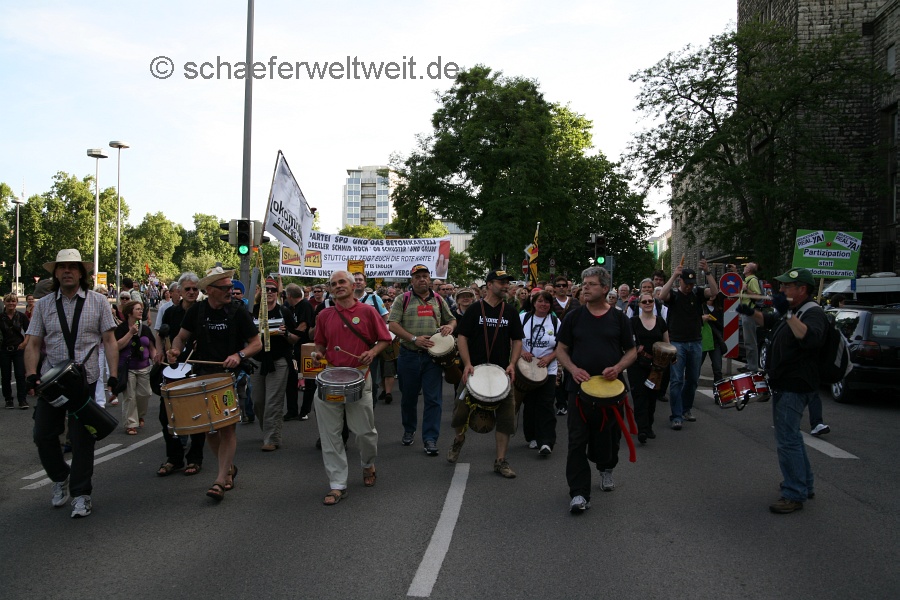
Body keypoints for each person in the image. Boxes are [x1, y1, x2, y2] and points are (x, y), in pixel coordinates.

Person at [25, 249, 121, 518]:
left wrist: (113, 376)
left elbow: (109, 341)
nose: (67, 271)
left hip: (84, 380)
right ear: (55, 273)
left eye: (73, 267)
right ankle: (60, 476)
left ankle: (81, 494)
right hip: (51, 382)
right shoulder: (44, 305)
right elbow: (33, 343)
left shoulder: (98, 302)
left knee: (82, 440)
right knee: (43, 434)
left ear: (81, 273)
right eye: (62, 267)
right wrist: (31, 373)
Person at [737, 268, 827, 514]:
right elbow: (768, 321)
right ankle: (804, 484)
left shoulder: (813, 312)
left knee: (787, 440)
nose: (781, 289)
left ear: (802, 289)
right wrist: (751, 312)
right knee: (792, 437)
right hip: (785, 382)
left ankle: (794, 492)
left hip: (795, 384)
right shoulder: (794, 310)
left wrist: (787, 313)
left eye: (787, 286)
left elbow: (810, 338)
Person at [167, 267, 261, 501]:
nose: (230, 290)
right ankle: (228, 468)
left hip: (229, 378)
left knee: (226, 426)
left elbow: (256, 343)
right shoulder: (196, 311)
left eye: (231, 287)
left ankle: (220, 479)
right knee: (208, 428)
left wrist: (239, 355)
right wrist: (175, 350)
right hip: (203, 375)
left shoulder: (238, 312)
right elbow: (181, 337)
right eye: (225, 287)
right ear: (210, 290)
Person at [556, 266, 636, 513]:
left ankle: (606, 468)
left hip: (611, 392)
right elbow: (561, 350)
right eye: (584, 284)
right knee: (576, 441)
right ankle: (579, 493)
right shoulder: (573, 317)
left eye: (591, 284)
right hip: (578, 390)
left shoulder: (619, 318)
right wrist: (572, 369)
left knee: (608, 440)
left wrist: (618, 366)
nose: (585, 288)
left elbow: (632, 351)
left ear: (605, 288)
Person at [312, 270, 391, 505]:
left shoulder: (368, 311)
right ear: (330, 289)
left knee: (365, 432)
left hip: (360, 377)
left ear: (352, 285)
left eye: (342, 282)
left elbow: (385, 339)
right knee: (330, 434)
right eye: (333, 284)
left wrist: (372, 352)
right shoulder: (324, 314)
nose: (338, 286)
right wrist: (318, 354)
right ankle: (337, 484)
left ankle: (367, 463)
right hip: (331, 380)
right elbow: (320, 344)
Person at [449, 269, 524, 478]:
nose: (506, 286)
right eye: (501, 282)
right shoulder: (475, 309)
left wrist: (512, 364)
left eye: (507, 282)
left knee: (507, 419)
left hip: (501, 373)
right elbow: (462, 337)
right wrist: (467, 364)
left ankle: (500, 461)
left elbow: (517, 340)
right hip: (474, 371)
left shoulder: (510, 311)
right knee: (459, 414)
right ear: (489, 285)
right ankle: (459, 440)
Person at [388, 264, 456, 455]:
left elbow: (452, 319)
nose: (422, 279)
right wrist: (414, 339)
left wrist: (450, 327)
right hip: (408, 355)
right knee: (408, 398)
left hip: (432, 359)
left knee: (433, 399)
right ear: (412, 280)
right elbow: (392, 325)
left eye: (425, 276)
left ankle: (430, 438)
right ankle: (409, 430)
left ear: (429, 279)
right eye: (418, 277)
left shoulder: (438, 299)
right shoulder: (403, 299)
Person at [156, 272, 208, 477]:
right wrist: (161, 352)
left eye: (195, 289)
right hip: (174, 369)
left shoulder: (204, 311)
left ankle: (195, 458)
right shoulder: (170, 312)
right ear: (179, 291)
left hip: (196, 369)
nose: (192, 292)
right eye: (188, 289)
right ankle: (174, 458)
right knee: (166, 415)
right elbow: (162, 335)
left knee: (197, 414)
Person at [659, 260, 718, 429]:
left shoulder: (697, 293)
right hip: (677, 343)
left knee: (692, 380)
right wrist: (673, 275)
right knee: (676, 380)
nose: (689, 287)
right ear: (681, 281)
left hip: (695, 342)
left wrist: (708, 272)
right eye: (687, 283)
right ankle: (676, 415)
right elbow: (662, 296)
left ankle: (686, 409)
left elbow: (714, 292)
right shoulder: (674, 296)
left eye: (692, 284)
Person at [250, 278, 298, 451]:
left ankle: (272, 438)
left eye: (272, 289)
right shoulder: (252, 312)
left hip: (278, 361)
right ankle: (267, 431)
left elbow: (295, 338)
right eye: (266, 289)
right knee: (258, 401)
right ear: (260, 292)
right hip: (257, 360)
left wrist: (286, 334)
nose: (269, 292)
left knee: (273, 401)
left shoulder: (284, 312)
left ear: (277, 293)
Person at [518, 290, 559, 455]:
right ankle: (532, 437)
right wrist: (522, 351)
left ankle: (547, 441)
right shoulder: (523, 318)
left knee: (546, 404)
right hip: (526, 370)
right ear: (533, 303)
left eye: (547, 302)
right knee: (530, 404)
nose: (543, 304)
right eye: (540, 301)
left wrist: (549, 358)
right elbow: (512, 339)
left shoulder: (555, 321)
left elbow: (562, 346)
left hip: (548, 369)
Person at [628, 291, 669, 444]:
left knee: (652, 396)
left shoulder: (660, 322)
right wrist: (635, 348)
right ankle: (642, 429)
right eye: (644, 302)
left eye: (650, 301)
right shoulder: (633, 322)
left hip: (656, 367)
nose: (647, 304)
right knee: (640, 396)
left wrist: (671, 356)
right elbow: (627, 342)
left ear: (653, 303)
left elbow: (667, 343)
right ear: (639, 304)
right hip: (637, 365)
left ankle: (649, 425)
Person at [115, 301, 157, 435]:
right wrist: (130, 333)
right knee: (130, 396)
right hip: (128, 368)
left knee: (145, 394)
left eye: (141, 309)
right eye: (138, 309)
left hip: (144, 366)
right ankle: (131, 424)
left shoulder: (145, 329)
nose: (141, 311)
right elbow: (117, 346)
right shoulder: (121, 328)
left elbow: (151, 347)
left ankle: (139, 415)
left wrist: (155, 359)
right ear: (129, 313)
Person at [283, 283, 315, 421]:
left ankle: (305, 410)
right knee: (291, 379)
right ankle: (292, 410)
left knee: (309, 380)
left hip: (307, 347)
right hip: (293, 349)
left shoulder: (305, 305)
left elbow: (303, 325)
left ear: (289, 295)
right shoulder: (289, 307)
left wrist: (293, 337)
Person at [1, 293, 30, 409]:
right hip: (4, 349)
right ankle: (8, 400)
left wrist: (25, 343)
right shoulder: (1, 317)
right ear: (4, 302)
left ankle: (22, 400)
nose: (11, 303)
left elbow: (29, 331)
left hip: (18, 349)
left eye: (13, 301)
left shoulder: (21, 316)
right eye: (8, 301)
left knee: (20, 375)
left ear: (16, 302)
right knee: (5, 376)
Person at [741, 262, 763, 372]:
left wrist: (746, 289)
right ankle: (749, 364)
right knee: (748, 340)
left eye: (746, 266)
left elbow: (758, 297)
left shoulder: (752, 280)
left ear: (749, 270)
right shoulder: (747, 280)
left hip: (750, 312)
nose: (744, 267)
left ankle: (752, 367)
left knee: (750, 341)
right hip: (746, 312)